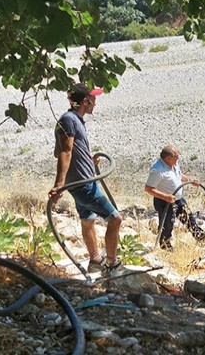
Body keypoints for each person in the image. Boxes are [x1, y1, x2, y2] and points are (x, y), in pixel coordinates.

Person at [48, 83, 122, 273]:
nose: (95, 103)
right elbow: (64, 152)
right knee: (115, 219)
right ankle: (112, 264)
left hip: (82, 181)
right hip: (83, 184)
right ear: (85, 101)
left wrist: (87, 159)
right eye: (93, 99)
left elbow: (61, 150)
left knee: (88, 219)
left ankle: (96, 260)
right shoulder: (69, 119)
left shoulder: (72, 120)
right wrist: (59, 185)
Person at [144, 145, 205, 250]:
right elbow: (148, 188)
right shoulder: (157, 169)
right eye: (176, 156)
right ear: (168, 158)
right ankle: (165, 245)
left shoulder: (174, 163)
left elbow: (179, 175)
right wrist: (165, 196)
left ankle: (199, 235)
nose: (178, 158)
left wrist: (190, 180)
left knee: (189, 217)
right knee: (168, 224)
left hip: (178, 199)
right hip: (164, 202)